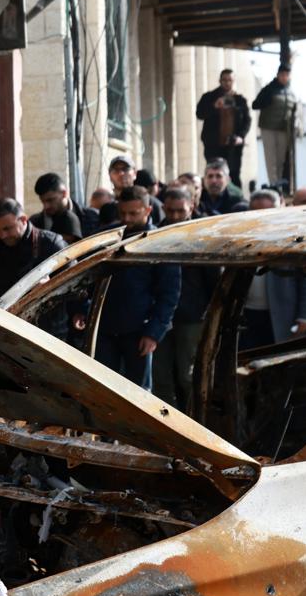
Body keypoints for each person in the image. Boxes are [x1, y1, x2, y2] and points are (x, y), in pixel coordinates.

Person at [78, 186, 177, 389]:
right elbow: (84, 278)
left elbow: (169, 293)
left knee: (139, 392)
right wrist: (81, 310)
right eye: (123, 213)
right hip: (104, 329)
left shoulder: (161, 242)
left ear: (148, 210)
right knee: (104, 389)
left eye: (133, 213)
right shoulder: (106, 237)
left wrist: (153, 333)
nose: (127, 219)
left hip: (140, 331)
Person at [150, 188, 217, 408]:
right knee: (160, 376)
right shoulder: (154, 235)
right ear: (163, 209)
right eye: (171, 210)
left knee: (187, 376)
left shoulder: (202, 236)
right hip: (160, 316)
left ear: (191, 208)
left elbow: (212, 278)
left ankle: (194, 419)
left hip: (192, 315)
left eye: (181, 211)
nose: (176, 216)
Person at [239, 189, 306, 346]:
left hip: (281, 315)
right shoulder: (240, 237)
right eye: (256, 212)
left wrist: (305, 316)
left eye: (268, 212)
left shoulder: (294, 239)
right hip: (246, 316)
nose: (262, 218)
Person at [0, 197, 68, 303]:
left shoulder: (51, 243)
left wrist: (51, 286)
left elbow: (74, 279)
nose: (2, 235)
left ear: (23, 220)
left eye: (7, 228)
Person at [196, 69, 252, 185]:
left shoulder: (240, 100)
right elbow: (199, 114)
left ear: (234, 81)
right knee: (214, 173)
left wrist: (241, 136)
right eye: (224, 80)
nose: (227, 83)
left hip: (233, 145)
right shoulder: (209, 97)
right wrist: (214, 106)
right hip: (213, 144)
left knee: (234, 174)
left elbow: (247, 120)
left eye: (230, 80)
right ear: (220, 81)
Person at [252, 64, 297, 189]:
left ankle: (278, 185)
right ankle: (273, 183)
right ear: (278, 75)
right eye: (282, 75)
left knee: (280, 159)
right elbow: (255, 104)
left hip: (283, 130)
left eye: (287, 75)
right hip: (269, 128)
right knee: (271, 159)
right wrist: (268, 99)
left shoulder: (289, 91)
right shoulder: (269, 89)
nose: (284, 77)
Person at [33, 172, 98, 243]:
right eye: (43, 201)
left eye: (50, 200)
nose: (46, 206)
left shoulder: (93, 217)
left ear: (64, 193)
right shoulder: (35, 223)